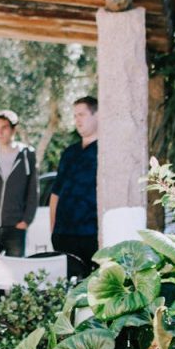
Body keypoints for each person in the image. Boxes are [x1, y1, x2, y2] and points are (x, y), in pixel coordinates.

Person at [0, 109, 38, 257]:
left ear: (13, 129)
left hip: (15, 227)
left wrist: (26, 221)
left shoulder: (27, 155)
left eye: (4, 127)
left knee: (14, 275)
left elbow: (33, 191)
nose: (0, 132)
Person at [49, 96, 99, 278]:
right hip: (63, 235)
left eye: (82, 114)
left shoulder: (105, 151)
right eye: (75, 115)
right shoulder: (69, 153)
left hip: (91, 235)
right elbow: (56, 193)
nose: (77, 120)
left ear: (97, 116)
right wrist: (53, 229)